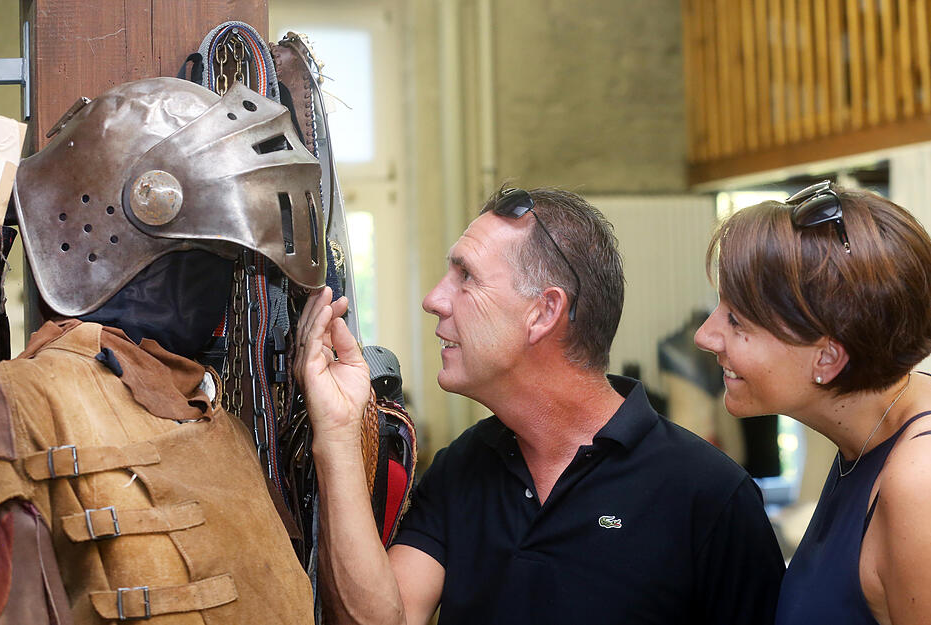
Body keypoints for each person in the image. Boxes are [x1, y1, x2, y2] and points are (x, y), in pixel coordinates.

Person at [297, 186, 785, 625]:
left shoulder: (710, 497)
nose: (434, 299)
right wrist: (337, 433)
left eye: (466, 276)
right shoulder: (462, 468)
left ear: (544, 312)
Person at [0, 77, 323, 624]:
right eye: (208, 255)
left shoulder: (225, 426)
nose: (225, 283)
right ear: (106, 234)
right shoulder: (22, 400)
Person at [694, 181, 931, 625]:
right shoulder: (863, 437)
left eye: (737, 320)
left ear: (827, 358)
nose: (705, 336)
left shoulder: (919, 484)